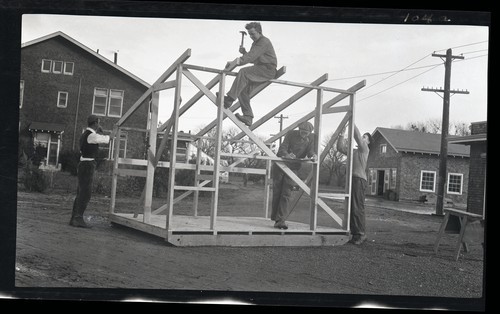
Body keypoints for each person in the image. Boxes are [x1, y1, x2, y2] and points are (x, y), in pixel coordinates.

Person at [220, 22, 278, 127]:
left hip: (267, 70)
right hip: (260, 69)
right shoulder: (255, 43)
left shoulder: (264, 42)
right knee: (242, 90)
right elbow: (253, 58)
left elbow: (251, 57)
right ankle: (248, 116)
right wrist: (244, 53)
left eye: (252, 34)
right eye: (249, 34)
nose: (251, 37)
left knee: (243, 72)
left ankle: (229, 100)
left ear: (259, 32)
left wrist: (237, 61)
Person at [271, 121, 317, 229]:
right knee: (277, 192)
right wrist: (287, 155)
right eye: (302, 132)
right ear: (299, 129)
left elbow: (310, 151)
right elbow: (282, 147)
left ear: (309, 132)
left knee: (286, 193)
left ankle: (280, 220)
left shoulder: (311, 138)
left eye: (306, 133)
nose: (304, 134)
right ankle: (276, 218)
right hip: (280, 165)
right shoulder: (291, 134)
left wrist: (314, 155)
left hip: (293, 168)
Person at [69, 115, 112, 228]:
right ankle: (78, 218)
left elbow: (98, 138)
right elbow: (108, 139)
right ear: (95, 123)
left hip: (83, 164)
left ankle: (74, 218)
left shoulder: (85, 134)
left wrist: (100, 132)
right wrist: (114, 132)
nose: (99, 125)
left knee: (81, 192)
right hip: (88, 165)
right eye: (98, 123)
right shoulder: (92, 136)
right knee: (85, 193)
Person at [337, 124, 372, 245]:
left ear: (367, 142)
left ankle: (361, 234)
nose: (362, 138)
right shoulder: (354, 152)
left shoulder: (364, 150)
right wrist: (342, 134)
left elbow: (356, 136)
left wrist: (352, 122)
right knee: (351, 207)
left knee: (357, 207)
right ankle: (355, 234)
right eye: (363, 136)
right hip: (352, 179)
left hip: (359, 180)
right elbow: (340, 147)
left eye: (365, 137)